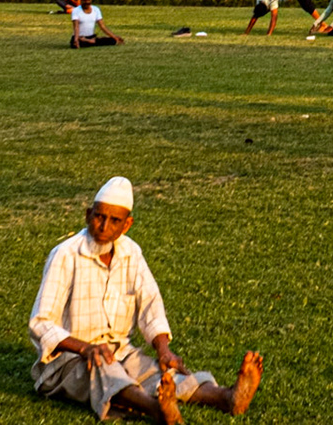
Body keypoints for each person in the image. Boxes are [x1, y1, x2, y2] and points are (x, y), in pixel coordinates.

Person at [29, 177, 262, 421]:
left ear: (126, 225)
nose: (104, 226)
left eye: (114, 220)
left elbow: (151, 303)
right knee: (105, 370)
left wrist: (163, 350)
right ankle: (155, 408)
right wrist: (85, 348)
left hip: (120, 351)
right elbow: (40, 322)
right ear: (88, 215)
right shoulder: (65, 254)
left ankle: (225, 397)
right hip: (68, 362)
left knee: (158, 375)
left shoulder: (131, 253)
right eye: (99, 216)